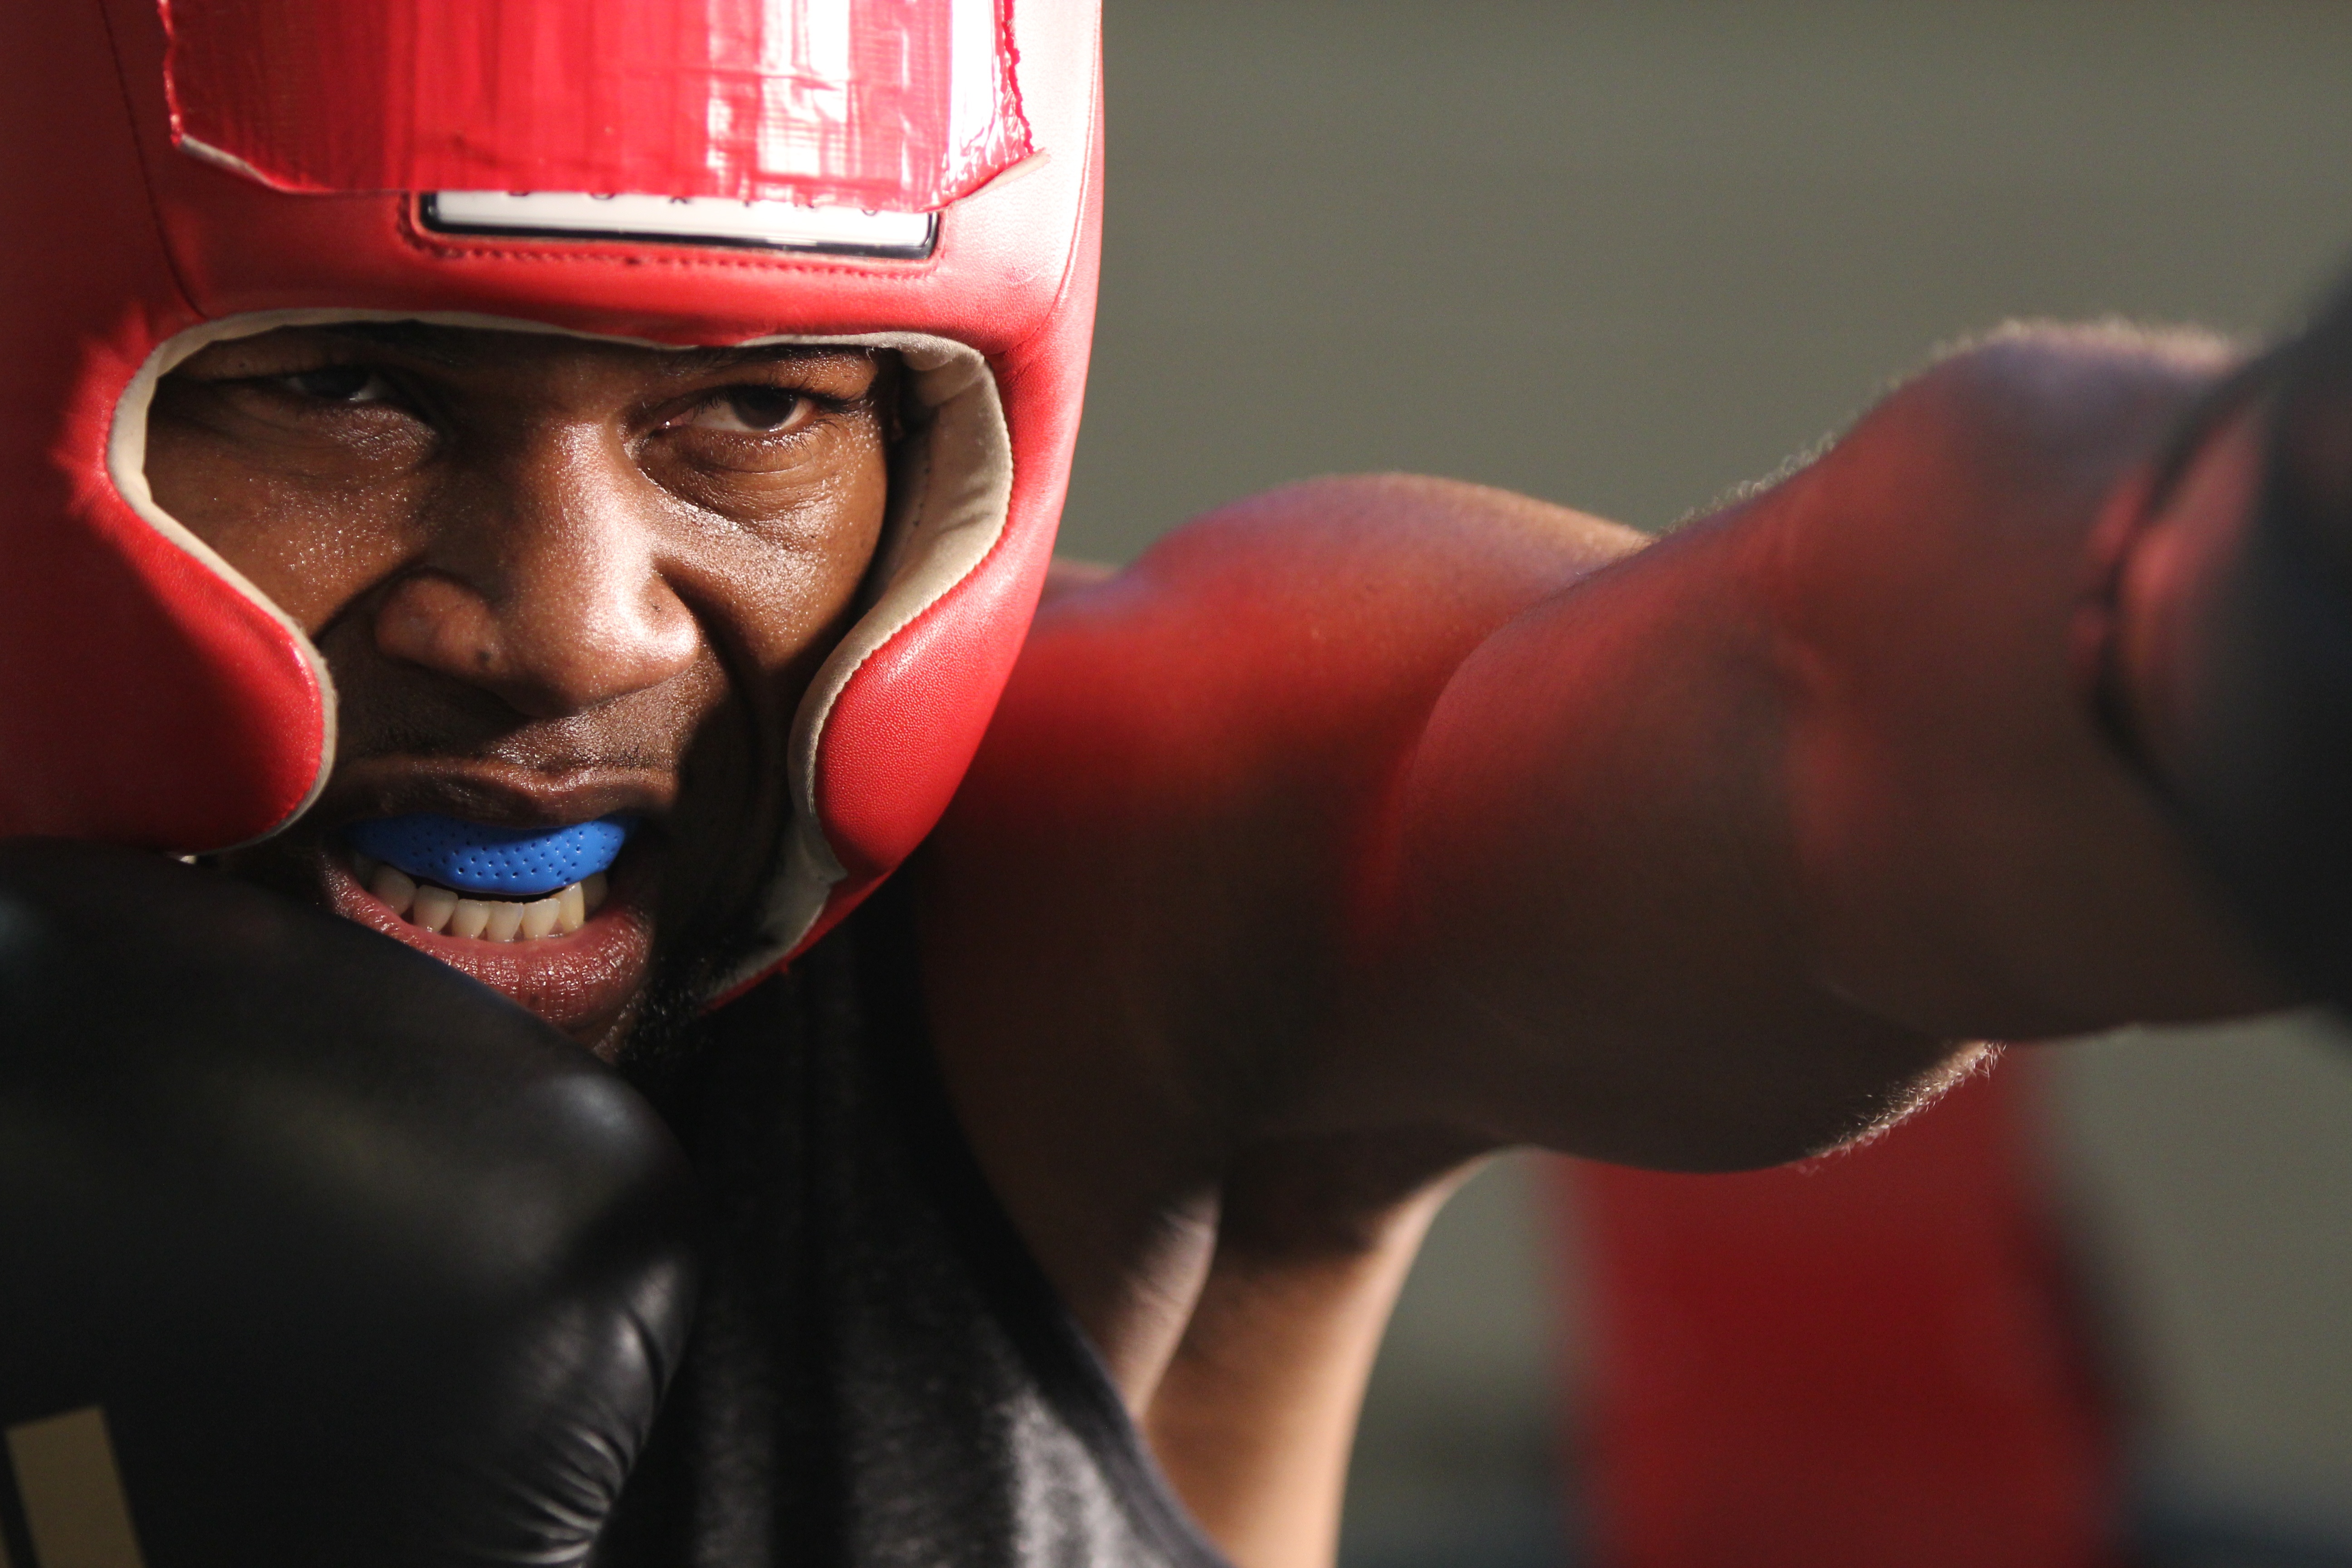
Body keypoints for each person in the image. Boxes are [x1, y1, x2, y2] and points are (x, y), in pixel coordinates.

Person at [0, 1, 2341, 1565]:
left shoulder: (1099, 916)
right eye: (352, 393)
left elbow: (1817, 716)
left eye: (761, 411)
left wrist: (2214, 591)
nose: (578, 624)